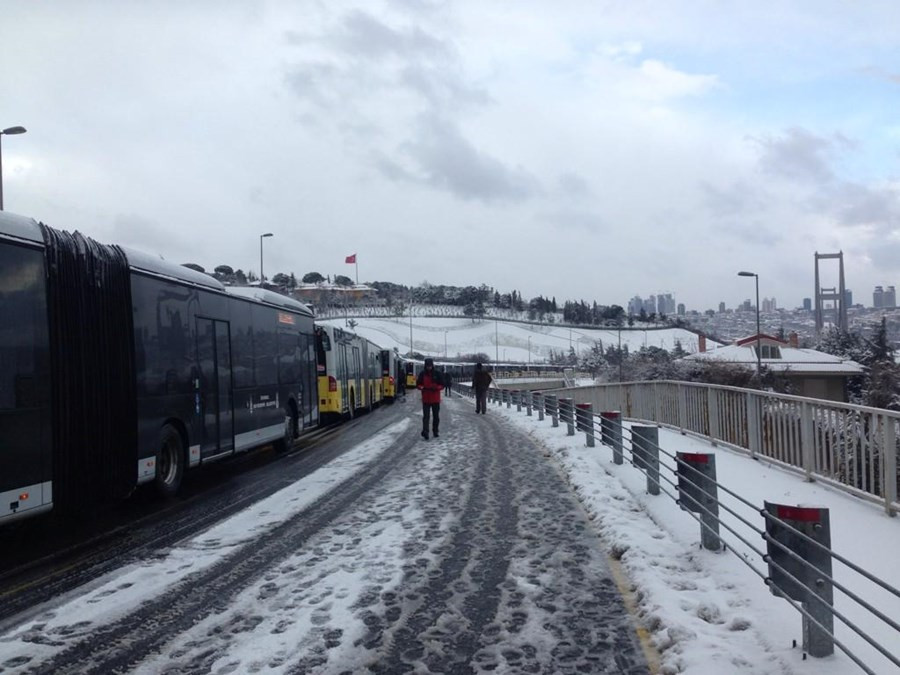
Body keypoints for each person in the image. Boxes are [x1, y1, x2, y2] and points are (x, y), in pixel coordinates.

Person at [416, 358, 443, 439]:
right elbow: (418, 385)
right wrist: (422, 388)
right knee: (426, 417)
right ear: (425, 366)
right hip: (426, 399)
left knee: (436, 417)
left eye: (430, 366)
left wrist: (437, 387)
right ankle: (425, 432)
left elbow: (442, 384)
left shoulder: (437, 374)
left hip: (435, 399)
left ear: (432, 365)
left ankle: (435, 431)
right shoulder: (422, 374)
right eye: (427, 366)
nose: (429, 367)